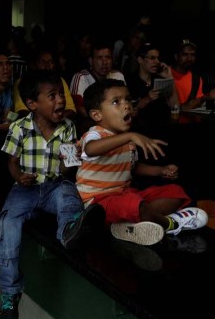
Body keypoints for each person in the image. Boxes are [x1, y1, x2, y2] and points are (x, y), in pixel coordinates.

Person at [0, 69, 104, 319]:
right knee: (5, 225)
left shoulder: (67, 127)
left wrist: (70, 160)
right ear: (32, 104)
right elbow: (11, 161)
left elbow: (68, 170)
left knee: (69, 196)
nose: (60, 101)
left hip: (54, 185)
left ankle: (68, 232)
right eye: (52, 96)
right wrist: (19, 177)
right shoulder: (19, 127)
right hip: (25, 189)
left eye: (61, 95)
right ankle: (10, 293)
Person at [76, 79, 208, 247]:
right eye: (116, 102)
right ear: (97, 115)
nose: (126, 106)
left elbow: (133, 167)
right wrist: (131, 136)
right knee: (136, 206)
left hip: (125, 194)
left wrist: (160, 171)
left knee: (176, 192)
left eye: (128, 100)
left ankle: (132, 225)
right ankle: (171, 224)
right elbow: (90, 149)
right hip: (96, 203)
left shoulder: (128, 141)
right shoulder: (96, 134)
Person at [70, 39, 126, 132]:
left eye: (108, 57)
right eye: (99, 58)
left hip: (116, 121)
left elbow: (124, 103)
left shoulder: (118, 75)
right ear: (91, 61)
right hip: (90, 124)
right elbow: (80, 110)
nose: (104, 62)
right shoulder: (80, 77)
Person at [126, 43, 179, 132]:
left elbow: (174, 105)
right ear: (140, 60)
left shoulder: (159, 79)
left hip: (163, 127)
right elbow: (130, 110)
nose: (157, 61)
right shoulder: (130, 81)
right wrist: (147, 99)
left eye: (158, 58)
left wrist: (170, 79)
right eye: (152, 58)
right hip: (141, 130)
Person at [13, 47, 77, 121]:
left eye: (51, 61)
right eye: (42, 62)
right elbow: (22, 112)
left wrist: (52, 117)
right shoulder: (22, 82)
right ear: (33, 65)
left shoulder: (60, 80)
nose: (48, 65)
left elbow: (71, 111)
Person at [170, 38, 215, 110]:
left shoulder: (196, 79)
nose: (189, 58)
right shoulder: (166, 74)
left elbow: (195, 103)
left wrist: (207, 96)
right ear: (176, 56)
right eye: (185, 54)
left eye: (192, 55)